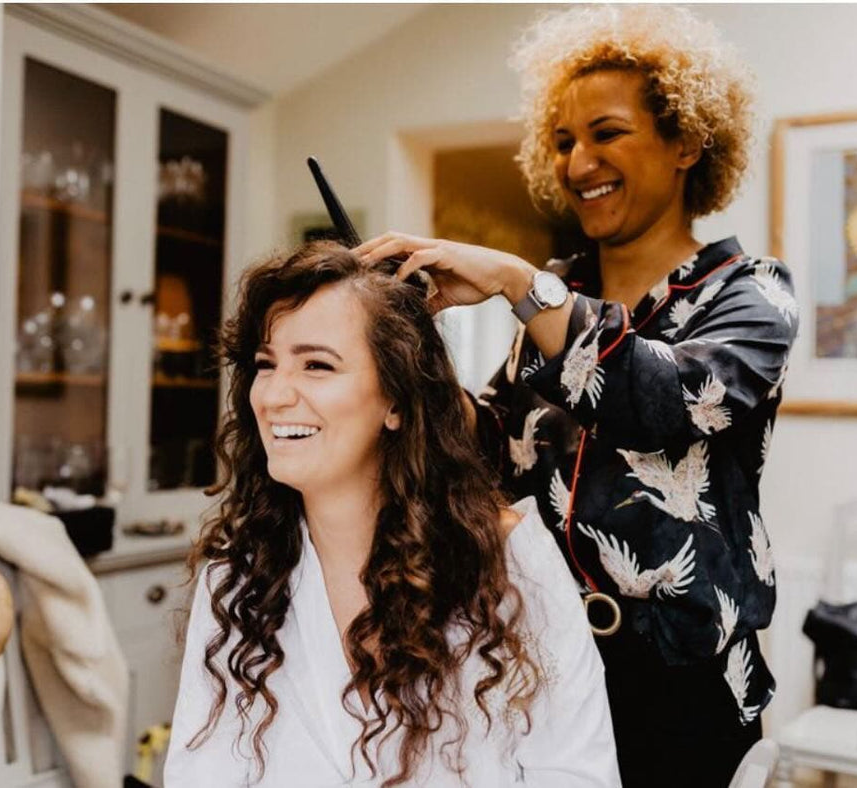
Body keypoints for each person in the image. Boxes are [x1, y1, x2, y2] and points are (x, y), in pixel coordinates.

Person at [353, 6, 797, 787]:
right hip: (541, 664)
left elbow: (673, 401)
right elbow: (487, 454)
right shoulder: (558, 310)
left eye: (607, 132)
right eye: (561, 141)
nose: (577, 160)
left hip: (682, 692)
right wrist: (413, 351)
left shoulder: (752, 293)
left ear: (688, 141)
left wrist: (521, 284)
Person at [165, 243, 620, 787]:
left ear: (397, 402)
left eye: (316, 365)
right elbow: (200, 773)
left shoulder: (509, 566)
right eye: (266, 364)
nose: (275, 394)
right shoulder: (236, 579)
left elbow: (576, 775)